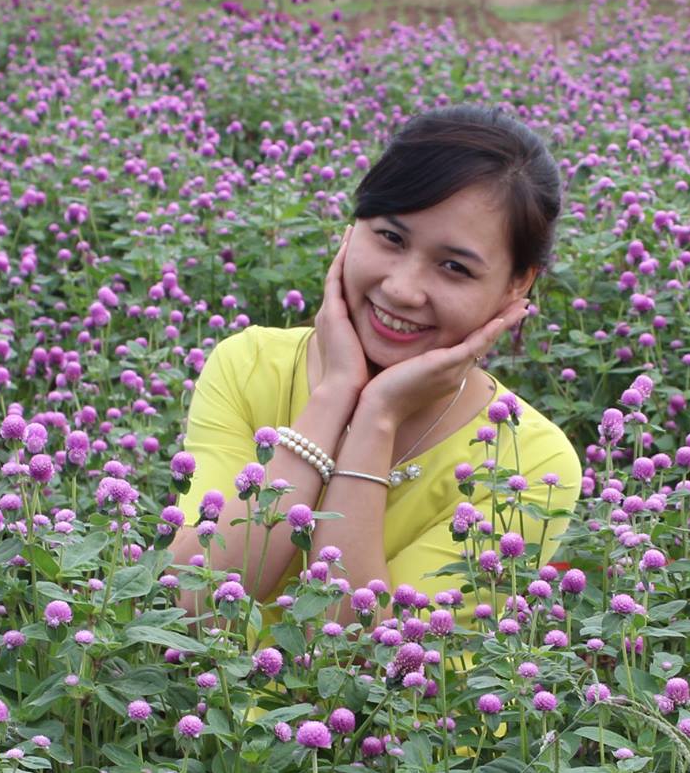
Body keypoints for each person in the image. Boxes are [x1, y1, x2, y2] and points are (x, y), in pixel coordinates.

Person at [175, 105, 582, 630]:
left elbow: (371, 674)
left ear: (516, 285)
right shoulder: (250, 365)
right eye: (391, 237)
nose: (401, 288)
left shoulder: (528, 463)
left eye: (454, 267)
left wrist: (378, 416)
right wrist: (335, 393)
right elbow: (189, 606)